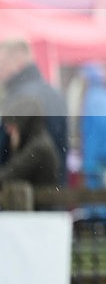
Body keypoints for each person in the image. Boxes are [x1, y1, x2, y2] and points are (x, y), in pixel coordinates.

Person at [0, 38, 68, 185]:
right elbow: (62, 150)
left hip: (21, 195)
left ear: (17, 60)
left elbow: (5, 151)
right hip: (54, 193)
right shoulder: (55, 95)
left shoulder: (17, 98)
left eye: (2, 63)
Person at [0, 96, 60, 186]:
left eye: (12, 126)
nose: (8, 130)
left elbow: (11, 173)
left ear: (22, 124)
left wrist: (14, 148)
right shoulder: (37, 142)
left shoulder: (38, 148)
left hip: (40, 199)